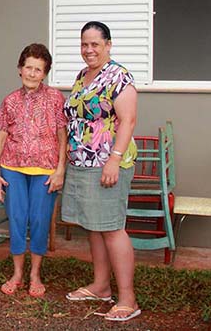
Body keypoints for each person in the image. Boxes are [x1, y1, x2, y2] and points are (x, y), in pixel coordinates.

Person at [62, 21, 141, 322]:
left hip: (108, 163)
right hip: (83, 163)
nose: (89, 49)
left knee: (111, 227)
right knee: (93, 226)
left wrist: (114, 159)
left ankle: (128, 298)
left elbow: (128, 120)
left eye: (95, 44)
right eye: (84, 44)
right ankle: (100, 286)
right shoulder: (83, 76)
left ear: (108, 45)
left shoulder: (119, 76)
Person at [0, 43, 67, 298]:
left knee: (39, 219)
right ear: (19, 69)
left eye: (38, 69)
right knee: (17, 218)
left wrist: (60, 170)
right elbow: (2, 135)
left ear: (44, 73)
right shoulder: (10, 100)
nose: (32, 73)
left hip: (46, 169)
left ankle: (35, 274)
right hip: (12, 167)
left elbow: (62, 135)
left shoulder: (55, 98)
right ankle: (17, 273)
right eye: (28, 67)